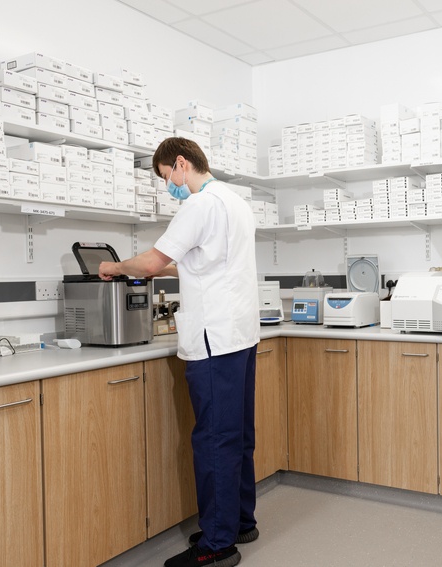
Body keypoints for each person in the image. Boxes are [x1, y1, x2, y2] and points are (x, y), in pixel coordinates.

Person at [99, 137, 260, 567]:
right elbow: (188, 261)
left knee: (213, 440)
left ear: (181, 164)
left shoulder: (199, 205)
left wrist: (115, 267)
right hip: (241, 336)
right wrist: (143, 262)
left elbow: (152, 265)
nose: (168, 186)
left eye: (165, 176)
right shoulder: (235, 201)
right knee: (238, 436)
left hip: (214, 340)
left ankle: (217, 545)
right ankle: (240, 519)